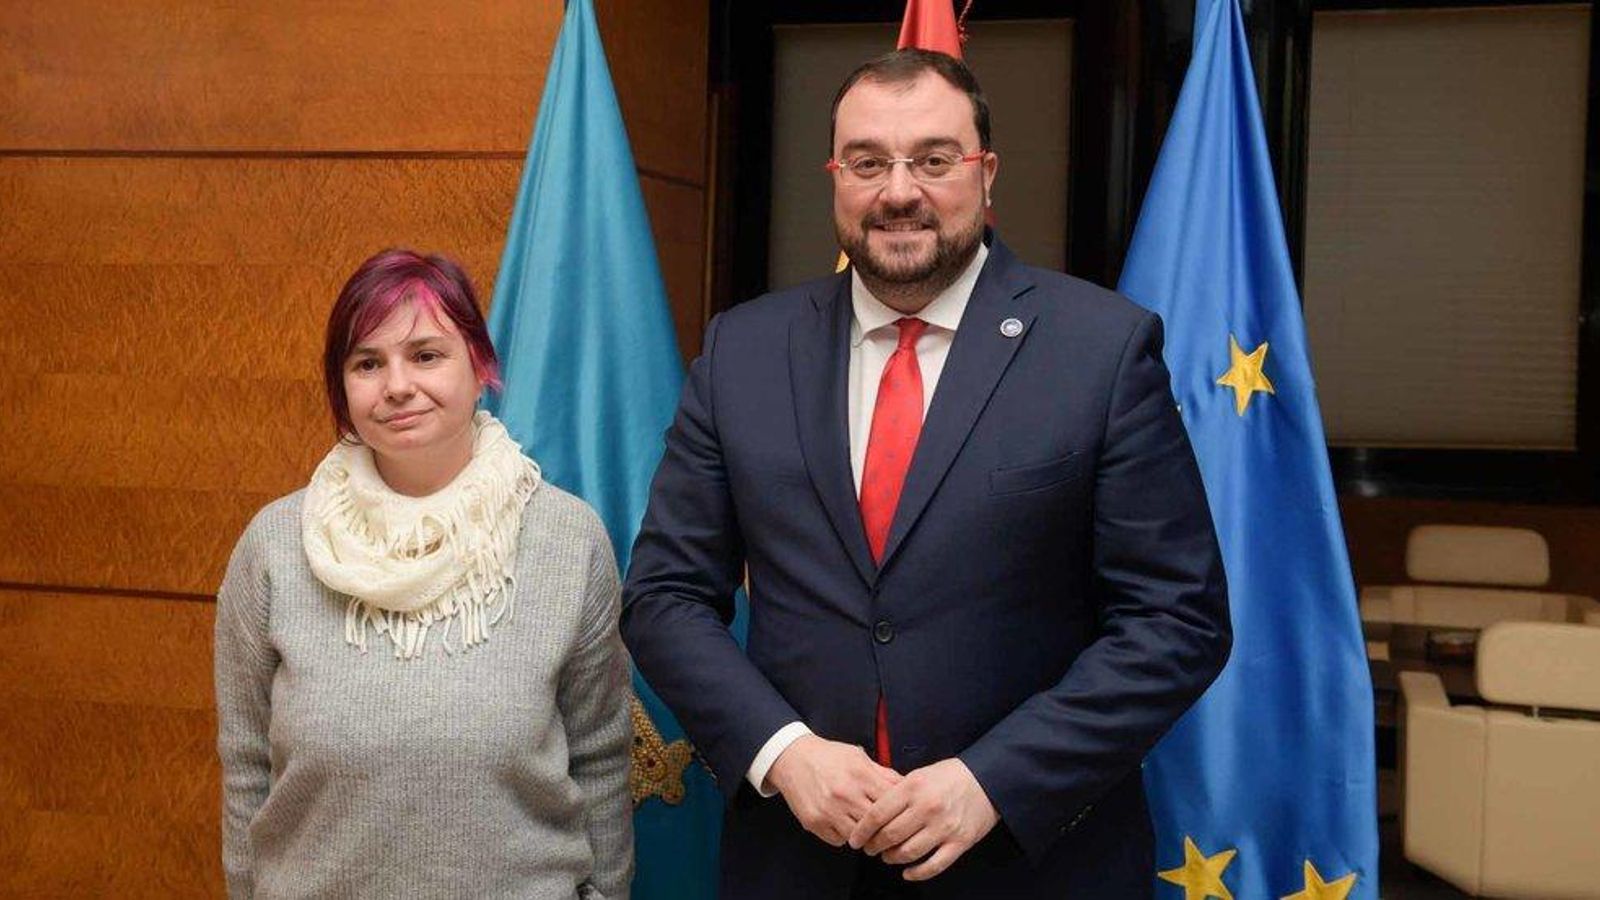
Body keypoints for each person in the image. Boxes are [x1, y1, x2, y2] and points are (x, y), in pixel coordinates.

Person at [620, 49, 1230, 899]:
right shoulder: (743, 352)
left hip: (1033, 864)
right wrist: (782, 751)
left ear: (987, 176)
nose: (898, 190)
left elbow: (1178, 620)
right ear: (835, 177)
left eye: (934, 160)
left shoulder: (1102, 350)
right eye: (867, 162)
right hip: (796, 863)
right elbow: (663, 596)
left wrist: (996, 780)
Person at [214, 249, 633, 899]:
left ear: (480, 366)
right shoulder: (274, 547)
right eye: (367, 363)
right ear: (341, 388)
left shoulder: (566, 541)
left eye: (427, 355)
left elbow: (602, 760)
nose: (398, 385)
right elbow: (245, 771)